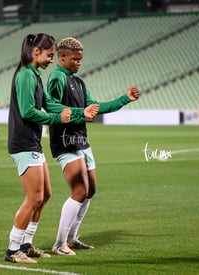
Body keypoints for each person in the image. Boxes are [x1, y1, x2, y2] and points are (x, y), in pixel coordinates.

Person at [4, 33, 99, 264]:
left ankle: (26, 244)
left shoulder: (34, 75)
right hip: (23, 142)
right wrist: (58, 119)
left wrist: (78, 113)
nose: (50, 60)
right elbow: (28, 112)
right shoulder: (26, 75)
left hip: (32, 142)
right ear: (35, 52)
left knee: (45, 194)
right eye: (48, 55)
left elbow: (51, 104)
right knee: (34, 197)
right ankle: (13, 249)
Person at [47, 37, 140, 256]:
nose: (79, 63)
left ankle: (71, 238)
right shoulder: (57, 78)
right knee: (79, 191)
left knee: (90, 190)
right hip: (65, 141)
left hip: (82, 140)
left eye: (80, 59)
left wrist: (124, 99)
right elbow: (52, 108)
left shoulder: (78, 82)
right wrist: (80, 113)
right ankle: (59, 243)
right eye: (74, 59)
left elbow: (96, 108)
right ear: (62, 57)